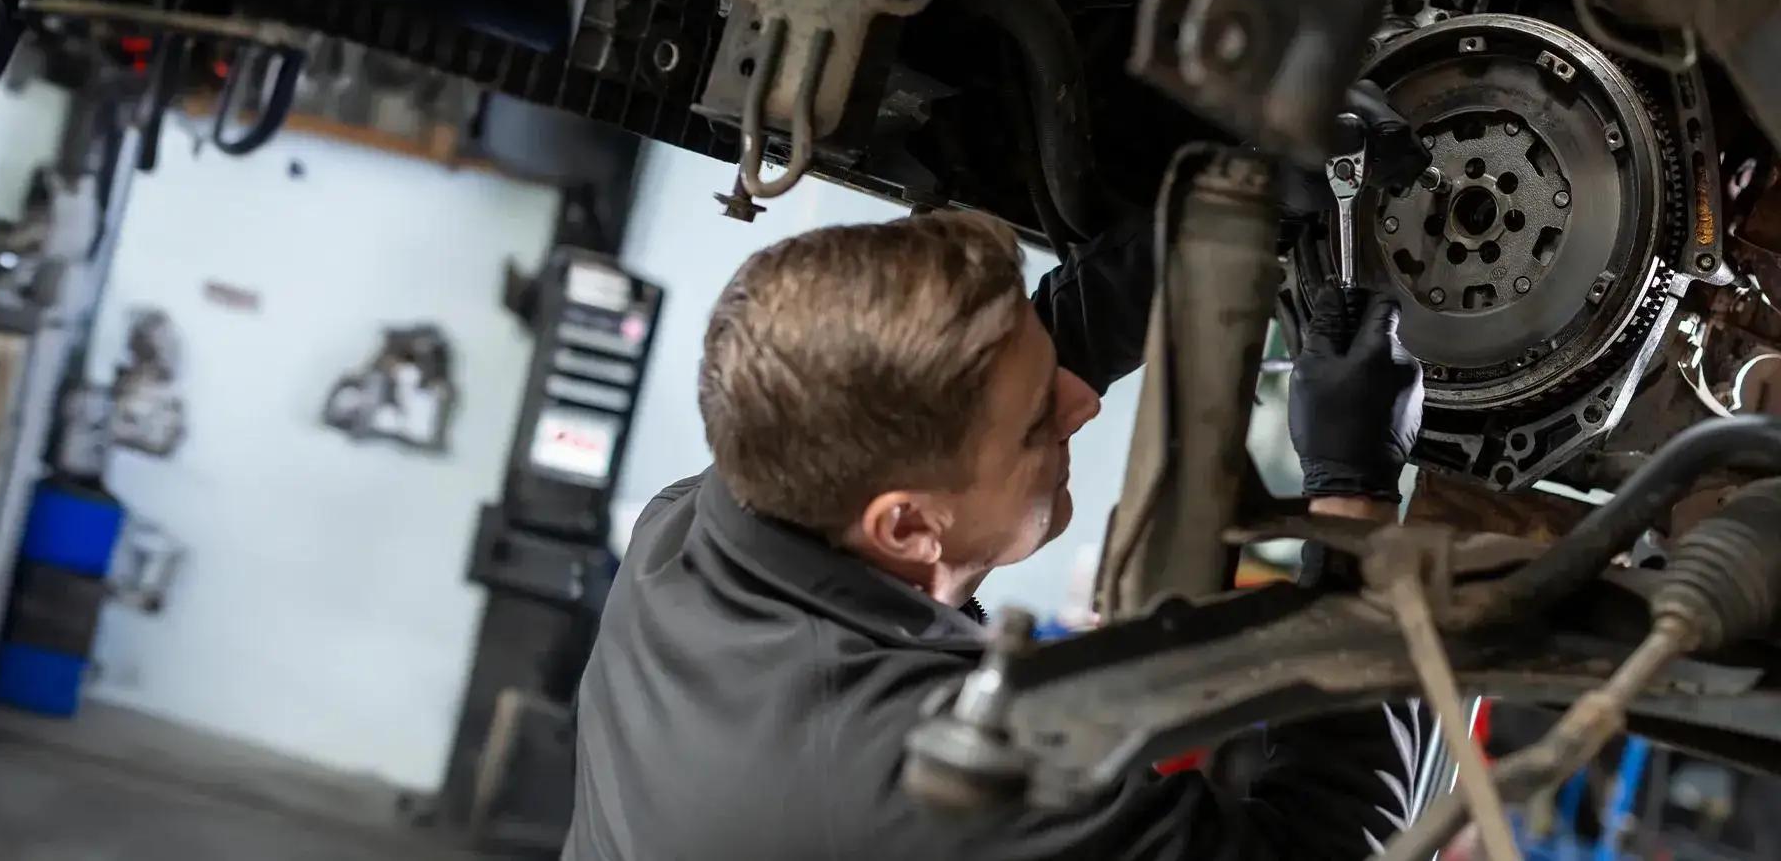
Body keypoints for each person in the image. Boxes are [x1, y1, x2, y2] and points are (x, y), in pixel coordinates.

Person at [562, 204, 1426, 860]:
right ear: (906, 527)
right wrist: (1354, 500)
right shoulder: (947, 790)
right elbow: (1332, 843)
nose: (1077, 403)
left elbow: (947, 393)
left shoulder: (703, 516)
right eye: (1034, 425)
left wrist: (1210, 220)